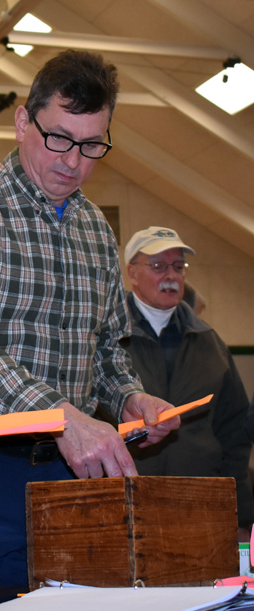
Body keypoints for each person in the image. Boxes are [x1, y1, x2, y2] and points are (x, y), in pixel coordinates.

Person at [0, 49, 179, 589]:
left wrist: (129, 397)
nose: (72, 161)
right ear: (23, 121)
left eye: (92, 145)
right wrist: (61, 416)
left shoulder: (96, 229)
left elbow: (105, 350)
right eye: (58, 137)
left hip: (61, 473)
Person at [121, 226, 254, 539]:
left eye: (178, 267)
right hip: (126, 504)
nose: (171, 276)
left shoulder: (210, 342)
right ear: (132, 273)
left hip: (199, 505)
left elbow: (234, 433)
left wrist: (241, 514)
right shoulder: (107, 339)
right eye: (158, 266)